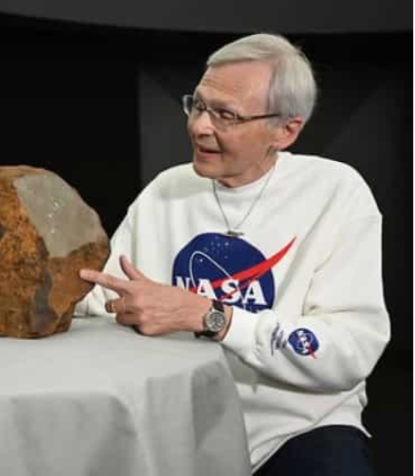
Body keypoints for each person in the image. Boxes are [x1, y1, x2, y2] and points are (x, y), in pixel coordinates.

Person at [76, 33, 389, 475]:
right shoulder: (166, 190)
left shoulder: (336, 193)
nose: (200, 126)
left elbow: (348, 351)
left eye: (226, 115)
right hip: (178, 416)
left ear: (286, 130)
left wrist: (212, 316)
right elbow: (102, 303)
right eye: (199, 105)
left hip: (298, 426)